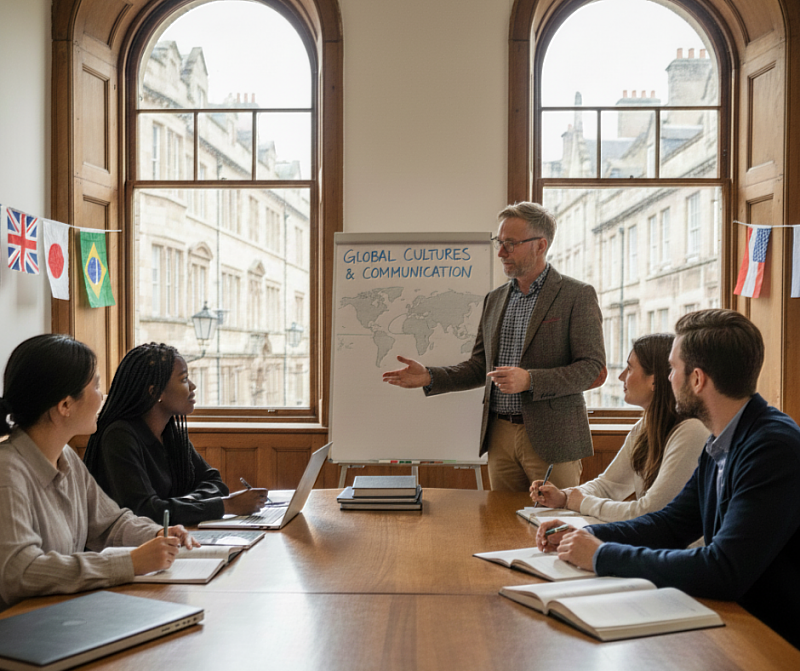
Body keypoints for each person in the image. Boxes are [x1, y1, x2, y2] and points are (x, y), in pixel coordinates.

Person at [536, 309, 800, 649]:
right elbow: (671, 524)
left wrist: (603, 556)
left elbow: (724, 570)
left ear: (697, 380)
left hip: (773, 638)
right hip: (735, 621)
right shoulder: (722, 438)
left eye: (673, 368)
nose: (668, 378)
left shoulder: (771, 448)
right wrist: (585, 534)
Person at [383, 202, 605, 491]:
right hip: (499, 435)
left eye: (510, 244)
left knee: (553, 528)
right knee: (501, 529)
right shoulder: (495, 299)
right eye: (499, 242)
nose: (501, 252)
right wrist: (431, 376)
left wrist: (531, 380)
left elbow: (592, 369)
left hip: (553, 438)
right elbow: (480, 367)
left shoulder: (577, 295)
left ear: (540, 245)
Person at [0, 334, 198, 610]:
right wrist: (129, 563)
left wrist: (156, 535)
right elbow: (20, 573)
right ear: (65, 405)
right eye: (95, 385)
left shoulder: (65, 456)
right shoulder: (7, 472)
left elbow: (110, 523)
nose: (102, 396)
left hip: (58, 614)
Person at [83, 342, 267, 526]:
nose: (193, 386)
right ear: (155, 392)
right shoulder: (119, 437)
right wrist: (224, 506)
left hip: (168, 538)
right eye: (184, 379)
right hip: (127, 549)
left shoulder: (171, 434)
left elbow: (215, 483)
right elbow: (145, 511)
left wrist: (183, 505)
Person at [530, 333, 708, 522]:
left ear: (654, 380)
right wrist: (564, 497)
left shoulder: (692, 431)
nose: (621, 376)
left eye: (630, 369)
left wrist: (581, 503)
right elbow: (608, 485)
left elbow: (648, 511)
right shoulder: (645, 427)